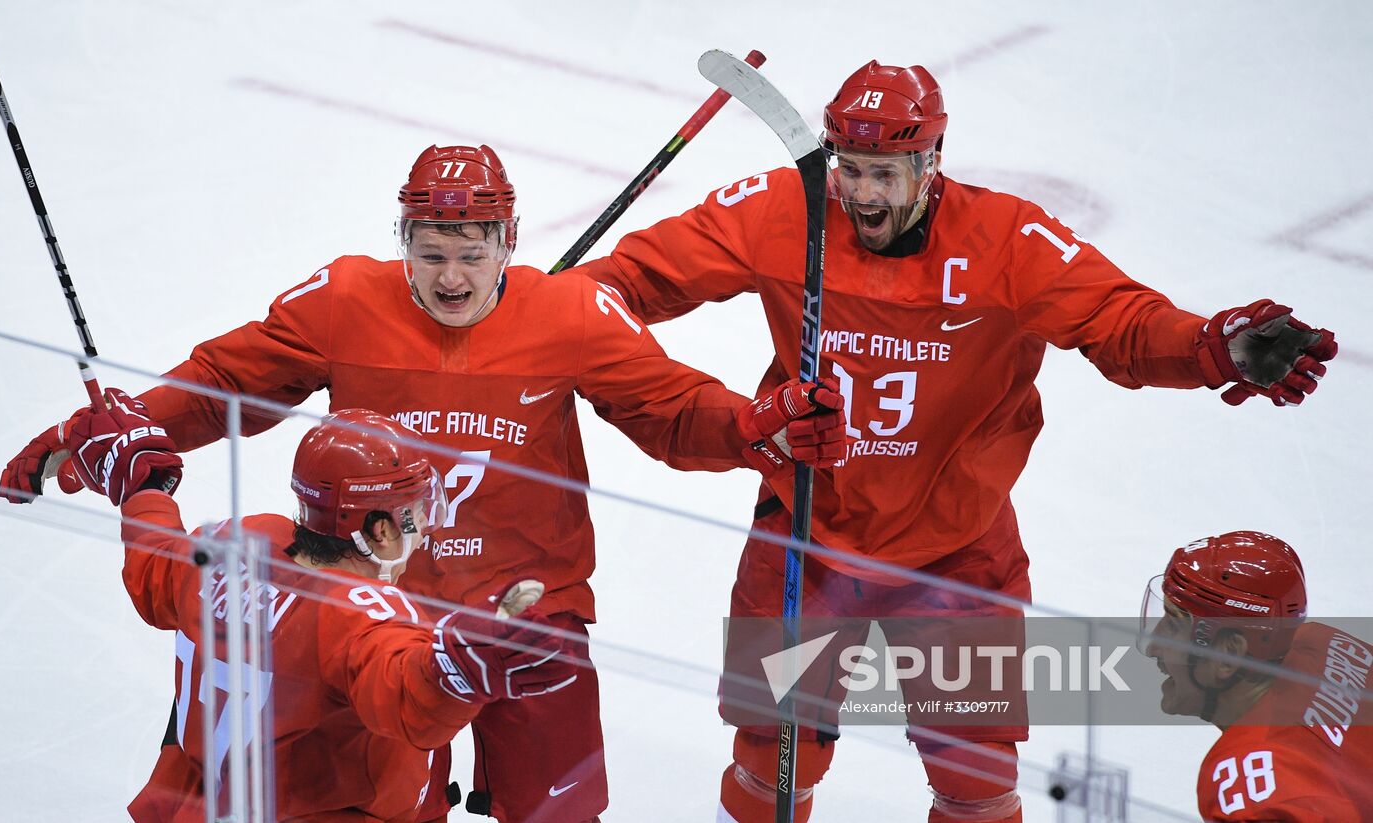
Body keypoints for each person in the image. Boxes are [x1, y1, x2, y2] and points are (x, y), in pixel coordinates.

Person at [569, 61, 1340, 822]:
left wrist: (1212, 347)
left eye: (887, 174)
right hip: (807, 532)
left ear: (931, 164)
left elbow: (1123, 323)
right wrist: (540, 317)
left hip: (958, 555)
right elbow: (617, 286)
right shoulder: (781, 210)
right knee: (773, 754)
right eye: (851, 171)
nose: (865, 195)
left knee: (976, 779)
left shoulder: (1009, 239)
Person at [0, 144, 845, 823]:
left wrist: (751, 423)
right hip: (386, 619)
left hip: (531, 606)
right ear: (400, 240)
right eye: (430, 253)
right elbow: (225, 377)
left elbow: (671, 408)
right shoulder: (344, 301)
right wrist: (102, 437)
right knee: (392, 802)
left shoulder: (571, 313)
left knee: (560, 808)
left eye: (472, 256)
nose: (450, 278)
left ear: (508, 243)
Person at [67, 397, 576, 822]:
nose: (424, 533)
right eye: (418, 515)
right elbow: (404, 692)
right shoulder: (358, 614)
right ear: (380, 529)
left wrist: (144, 492)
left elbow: (156, 575)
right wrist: (458, 673)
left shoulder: (229, 545)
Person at [1141, 531, 1373, 820]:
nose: (1153, 648)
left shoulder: (1248, 785)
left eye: (1175, 626)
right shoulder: (1328, 643)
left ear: (1228, 654)